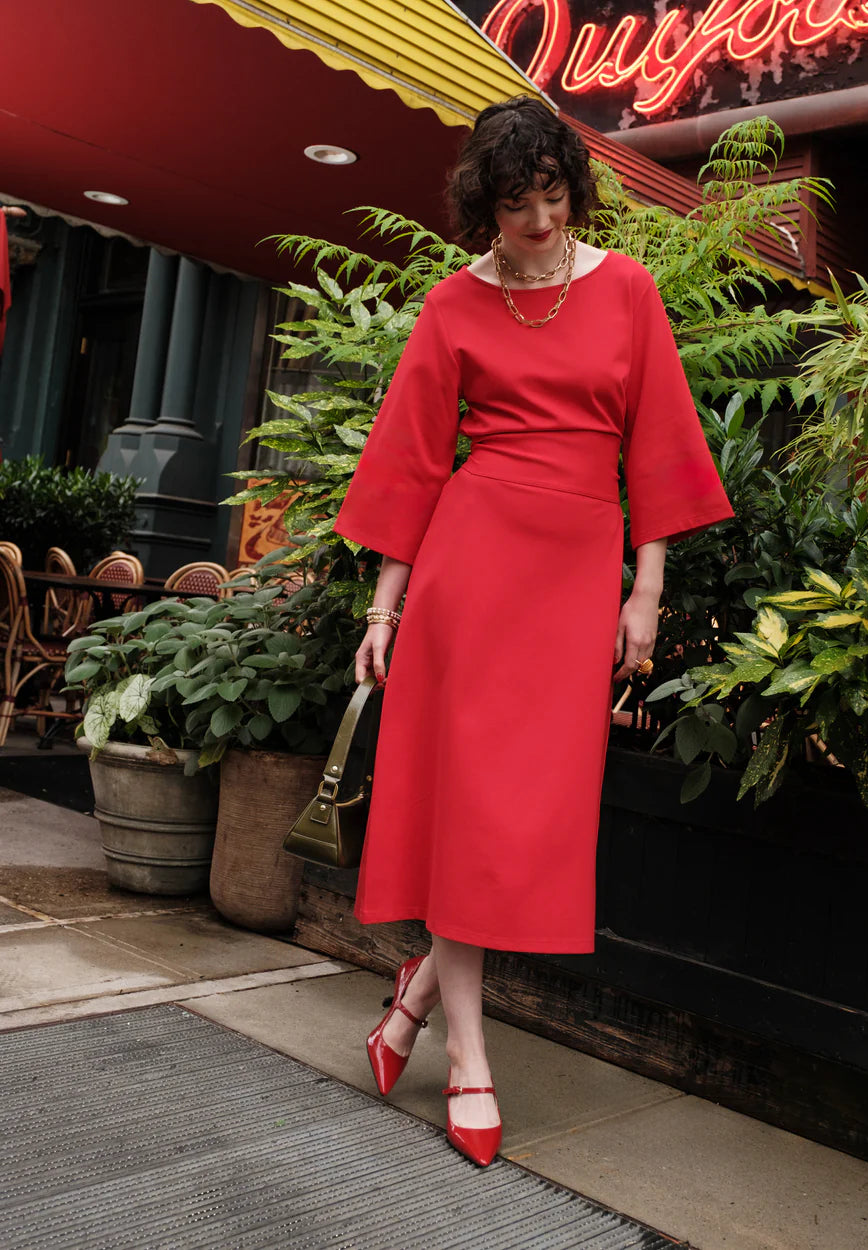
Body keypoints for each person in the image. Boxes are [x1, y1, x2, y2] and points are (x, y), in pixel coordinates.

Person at [332, 96, 732, 1168]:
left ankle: (407, 1004)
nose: (540, 224)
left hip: (572, 581)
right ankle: (468, 1055)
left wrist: (645, 592)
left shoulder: (628, 290)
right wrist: (384, 607)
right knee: (467, 810)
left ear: (573, 191)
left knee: (520, 820)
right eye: (517, 207)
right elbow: (411, 464)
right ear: (485, 206)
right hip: (470, 571)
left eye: (553, 198)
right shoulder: (451, 306)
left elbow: (658, 447)